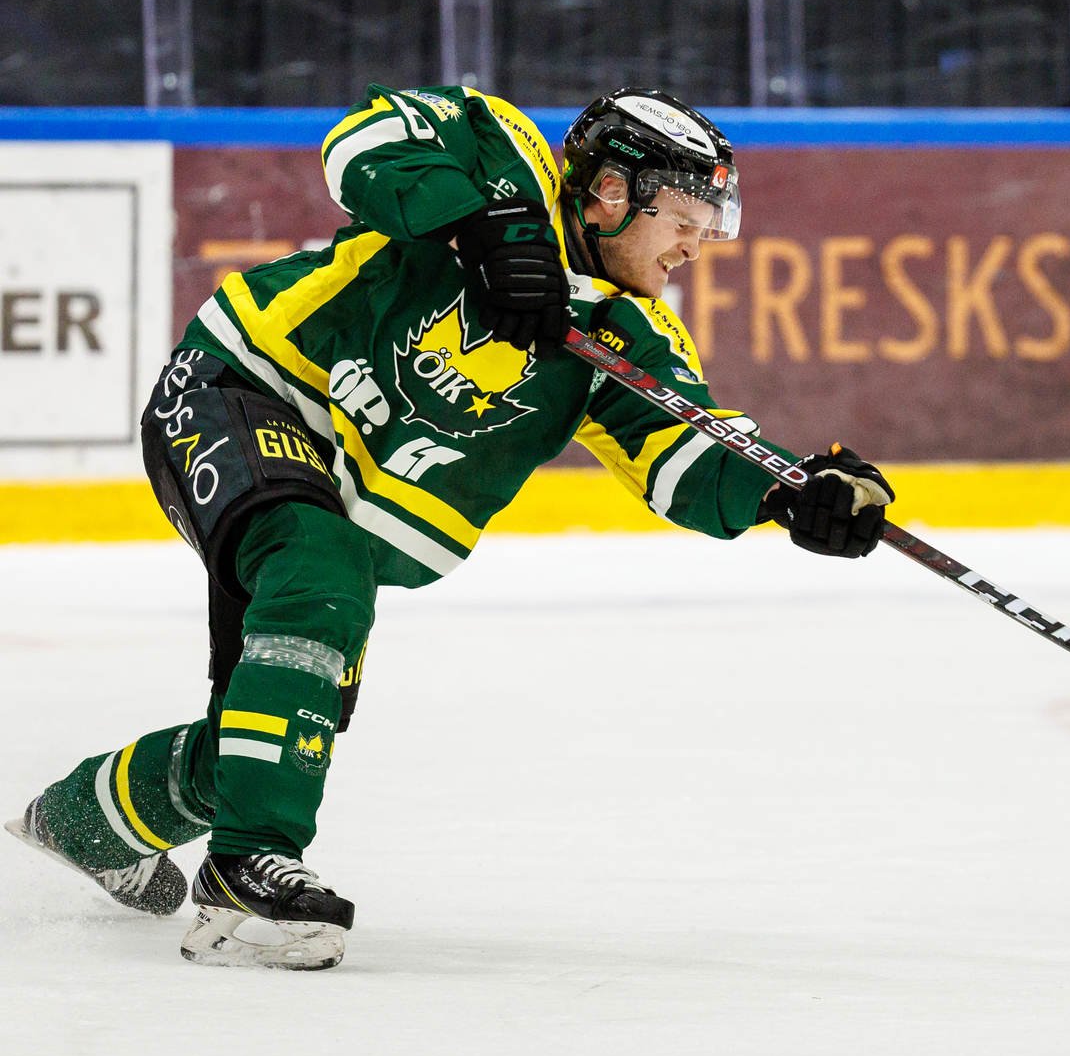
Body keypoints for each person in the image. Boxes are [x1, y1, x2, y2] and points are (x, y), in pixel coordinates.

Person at [5, 85, 893, 970]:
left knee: (277, 732)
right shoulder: (501, 152)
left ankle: (84, 820)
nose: (698, 246)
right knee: (315, 573)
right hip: (243, 391)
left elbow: (685, 454)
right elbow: (361, 143)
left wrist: (790, 493)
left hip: (337, 519)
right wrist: (485, 226)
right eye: (687, 219)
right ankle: (244, 871)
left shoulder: (628, 332)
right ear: (612, 192)